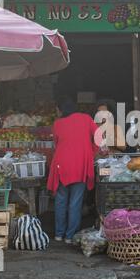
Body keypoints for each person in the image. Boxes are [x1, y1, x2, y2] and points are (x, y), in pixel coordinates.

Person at [47, 98, 100, 243]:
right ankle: (70, 237)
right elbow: (99, 137)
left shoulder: (57, 123)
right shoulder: (86, 119)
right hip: (80, 164)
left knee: (60, 201)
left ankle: (58, 234)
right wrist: (91, 152)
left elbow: (56, 144)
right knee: (75, 202)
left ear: (61, 110)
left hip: (61, 165)